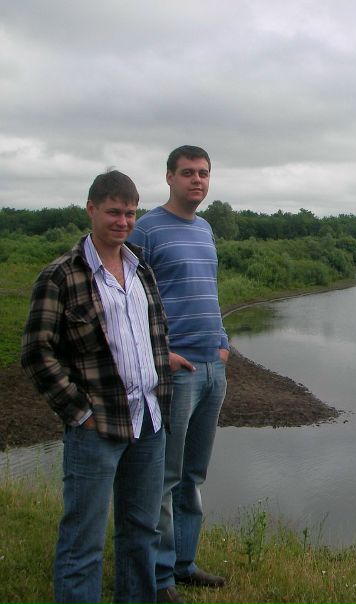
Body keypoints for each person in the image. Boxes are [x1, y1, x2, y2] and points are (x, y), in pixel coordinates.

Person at [21, 171, 172, 604]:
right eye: (113, 212)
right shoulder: (61, 275)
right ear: (91, 209)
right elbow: (36, 352)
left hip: (149, 421)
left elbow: (155, 334)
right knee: (82, 539)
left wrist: (162, 380)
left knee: (141, 530)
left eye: (130, 213)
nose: (123, 221)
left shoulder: (142, 269)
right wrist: (80, 413)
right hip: (96, 427)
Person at [129, 145, 229, 604]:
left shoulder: (205, 228)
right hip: (177, 371)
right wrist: (160, 354)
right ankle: (161, 577)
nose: (197, 180)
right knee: (166, 477)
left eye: (203, 173)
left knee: (193, 474)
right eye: (187, 172)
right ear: (169, 177)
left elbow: (209, 288)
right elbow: (128, 295)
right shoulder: (147, 229)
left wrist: (223, 344)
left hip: (212, 368)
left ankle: (185, 564)